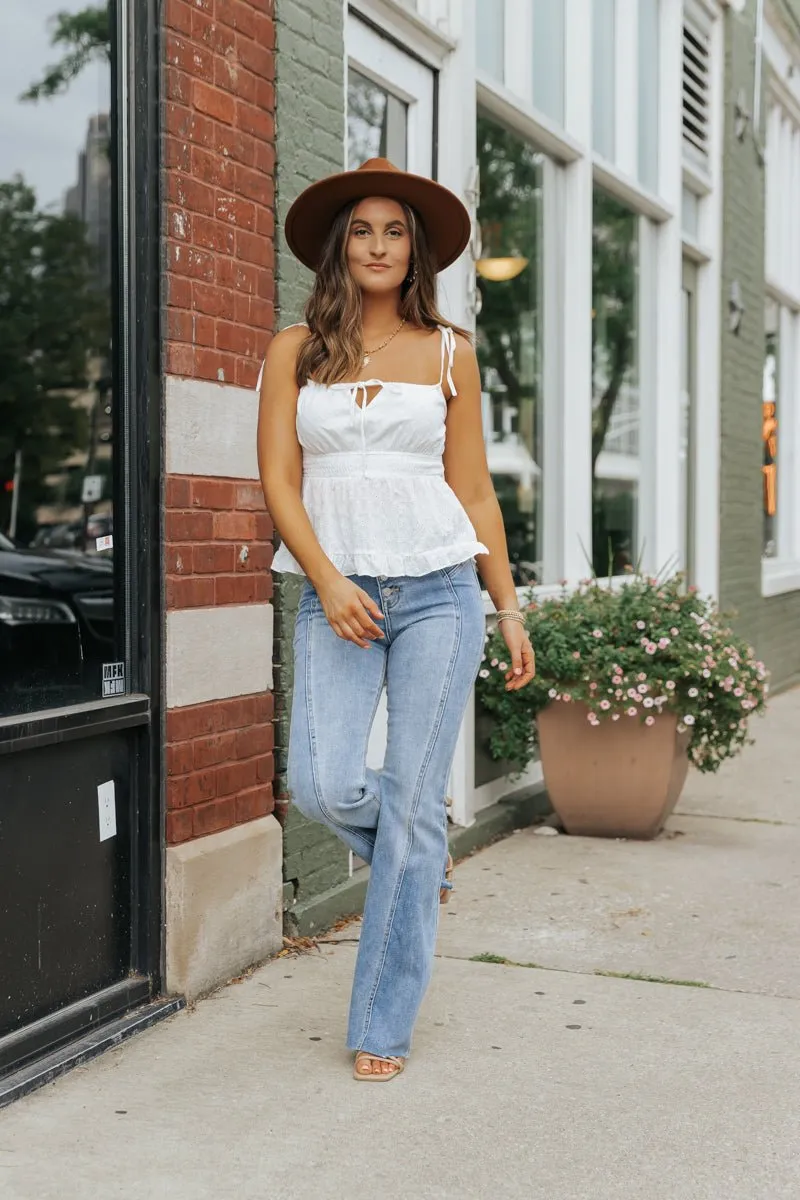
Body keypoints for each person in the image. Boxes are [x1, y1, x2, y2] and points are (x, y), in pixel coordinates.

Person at [256, 157, 535, 1082]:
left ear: (416, 250)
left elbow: (474, 489)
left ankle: (381, 1024)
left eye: (396, 231)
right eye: (363, 230)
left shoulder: (452, 350)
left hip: (440, 591)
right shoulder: (293, 349)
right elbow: (279, 483)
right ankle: (418, 852)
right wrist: (328, 581)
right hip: (340, 592)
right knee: (323, 783)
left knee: (413, 802)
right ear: (340, 246)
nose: (378, 245)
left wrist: (508, 603)